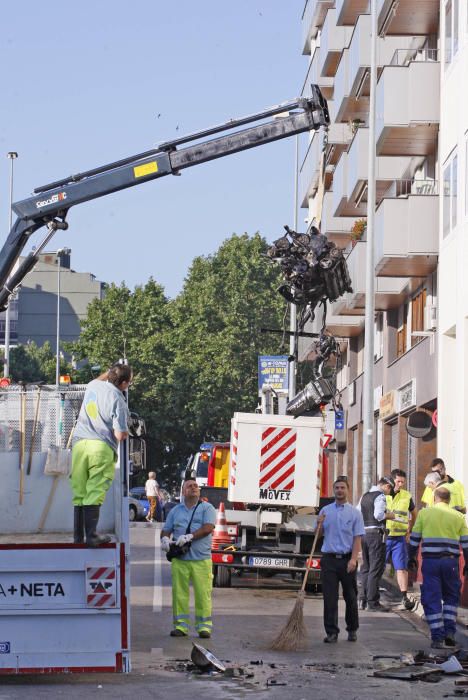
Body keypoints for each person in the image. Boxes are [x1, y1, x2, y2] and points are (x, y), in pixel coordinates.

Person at [71, 363, 131, 546]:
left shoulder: (93, 385)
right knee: (94, 491)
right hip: (100, 447)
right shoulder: (119, 400)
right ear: (124, 383)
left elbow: (102, 377)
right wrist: (128, 430)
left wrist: (112, 370)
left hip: (79, 444)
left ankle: (78, 538)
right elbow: (119, 435)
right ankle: (91, 536)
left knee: (79, 492)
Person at [409, 487, 468, 648]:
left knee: (432, 597)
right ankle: (449, 632)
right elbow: (466, 543)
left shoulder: (424, 513)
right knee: (451, 597)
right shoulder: (458, 516)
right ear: (449, 500)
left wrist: (411, 558)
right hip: (451, 563)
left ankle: (437, 637)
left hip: (431, 562)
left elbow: (414, 539)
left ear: (435, 499)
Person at [161, 479, 217, 639]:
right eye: (189, 486)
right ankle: (180, 627)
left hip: (202, 560)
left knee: (203, 595)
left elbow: (208, 528)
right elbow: (166, 530)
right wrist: (164, 539)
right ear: (183, 492)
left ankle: (204, 628)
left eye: (195, 486)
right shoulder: (175, 511)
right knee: (179, 594)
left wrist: (190, 536)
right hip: (180, 560)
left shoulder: (207, 508)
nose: (194, 488)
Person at [318, 477, 365, 644]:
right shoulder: (325, 511)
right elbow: (319, 534)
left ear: (347, 490)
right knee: (329, 598)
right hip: (329, 559)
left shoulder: (354, 513)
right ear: (333, 490)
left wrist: (353, 559)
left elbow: (357, 538)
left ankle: (352, 629)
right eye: (337, 487)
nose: (339, 490)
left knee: (351, 597)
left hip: (347, 560)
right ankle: (331, 632)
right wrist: (319, 524)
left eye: (342, 488)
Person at [358, 476, 395, 612]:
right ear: (386, 486)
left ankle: (362, 600)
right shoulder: (380, 496)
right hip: (375, 535)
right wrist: (390, 515)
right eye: (389, 490)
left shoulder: (365, 495)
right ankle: (373, 602)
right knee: (375, 568)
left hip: (364, 534)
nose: (388, 493)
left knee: (366, 568)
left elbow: (358, 512)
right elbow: (378, 515)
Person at [385, 468, 417, 611]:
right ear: (392, 481)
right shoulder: (383, 494)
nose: (401, 484)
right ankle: (369, 596)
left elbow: (414, 514)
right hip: (384, 537)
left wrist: (409, 529)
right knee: (378, 566)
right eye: (398, 481)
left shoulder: (407, 496)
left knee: (401, 568)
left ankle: (404, 597)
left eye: (403, 482)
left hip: (399, 538)